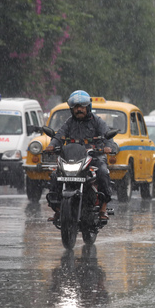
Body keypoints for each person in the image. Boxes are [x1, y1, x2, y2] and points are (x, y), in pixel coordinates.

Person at [46, 90, 115, 221]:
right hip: (74, 159)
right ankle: (58, 208)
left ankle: (103, 207)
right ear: (72, 109)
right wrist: (52, 145)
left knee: (102, 171)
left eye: (82, 107)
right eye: (76, 107)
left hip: (94, 157)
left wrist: (109, 147)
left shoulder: (98, 122)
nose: (79, 110)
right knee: (56, 174)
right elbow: (59, 136)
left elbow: (109, 137)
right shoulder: (69, 123)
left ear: (88, 107)